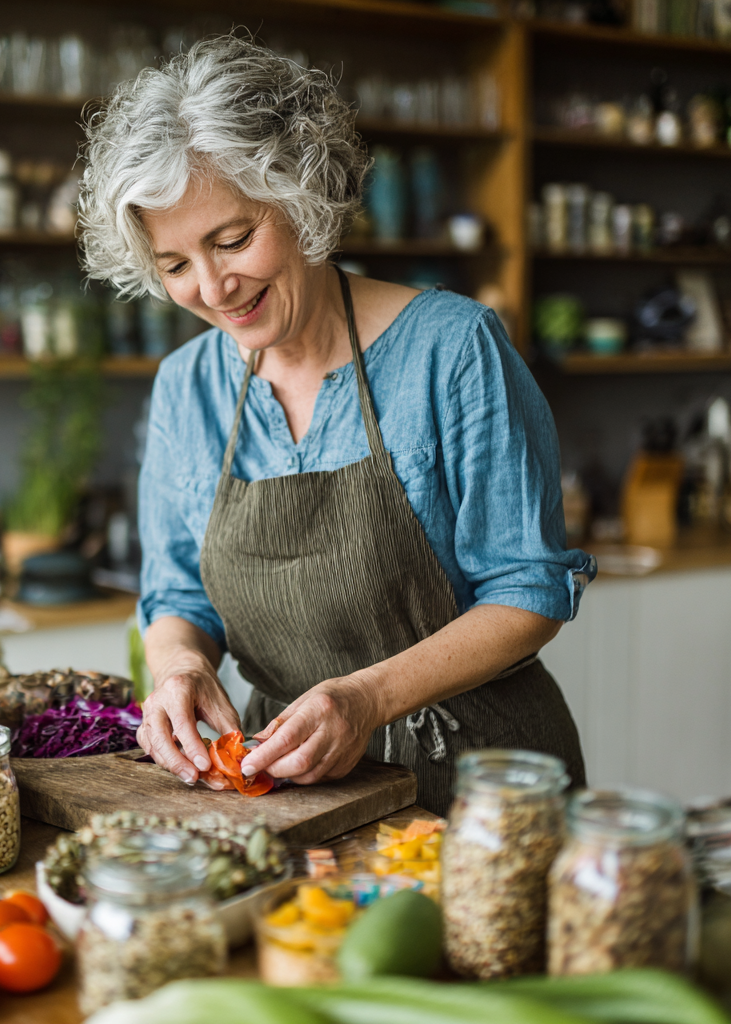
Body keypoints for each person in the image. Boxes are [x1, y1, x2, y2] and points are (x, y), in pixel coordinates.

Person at [77, 35, 594, 815]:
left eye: (233, 239)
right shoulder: (186, 387)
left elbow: (529, 589)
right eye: (176, 265)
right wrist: (180, 666)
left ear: (302, 196)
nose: (214, 289)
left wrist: (364, 699)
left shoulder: (452, 349)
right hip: (284, 790)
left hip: (481, 791)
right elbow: (178, 591)